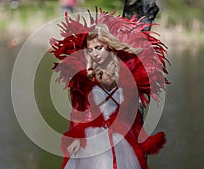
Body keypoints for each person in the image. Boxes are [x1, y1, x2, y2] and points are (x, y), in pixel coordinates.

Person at [50, 11, 169, 169]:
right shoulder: (85, 78)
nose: (94, 54)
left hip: (120, 140)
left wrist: (143, 139)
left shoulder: (127, 78)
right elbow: (78, 113)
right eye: (90, 50)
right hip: (92, 139)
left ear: (110, 46)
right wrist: (76, 137)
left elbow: (132, 116)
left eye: (99, 48)